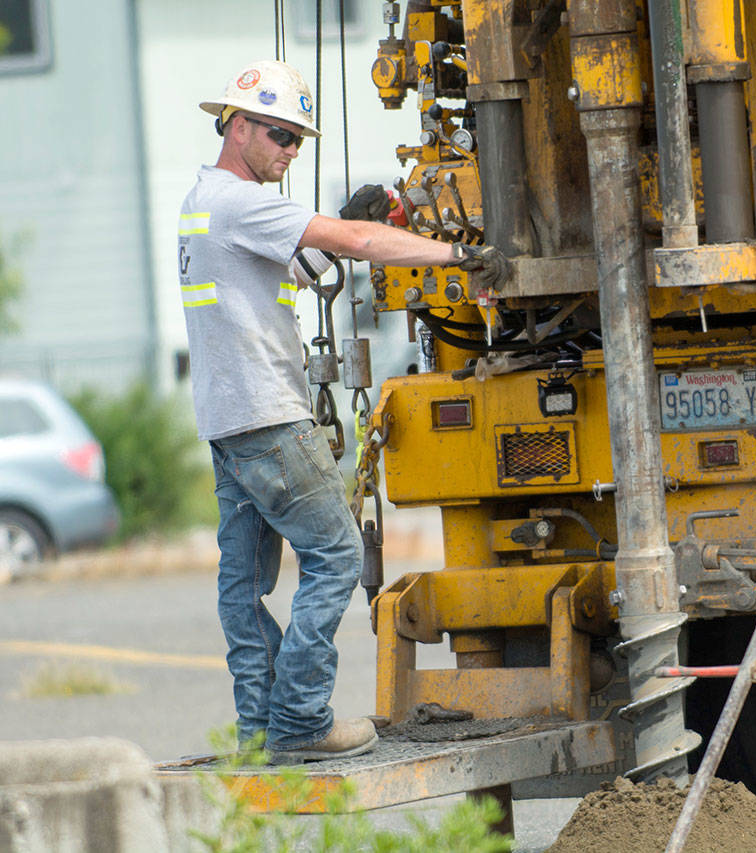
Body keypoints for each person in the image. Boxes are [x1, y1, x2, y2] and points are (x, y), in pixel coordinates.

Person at [177, 59, 509, 763]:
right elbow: (357, 242)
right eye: (279, 134)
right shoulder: (245, 203)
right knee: (334, 554)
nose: (292, 150)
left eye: (299, 138)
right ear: (238, 127)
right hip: (270, 419)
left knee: (243, 584)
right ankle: (300, 718)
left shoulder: (203, 203)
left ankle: (260, 730)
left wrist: (343, 230)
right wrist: (459, 253)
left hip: (229, 425)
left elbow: (291, 270)